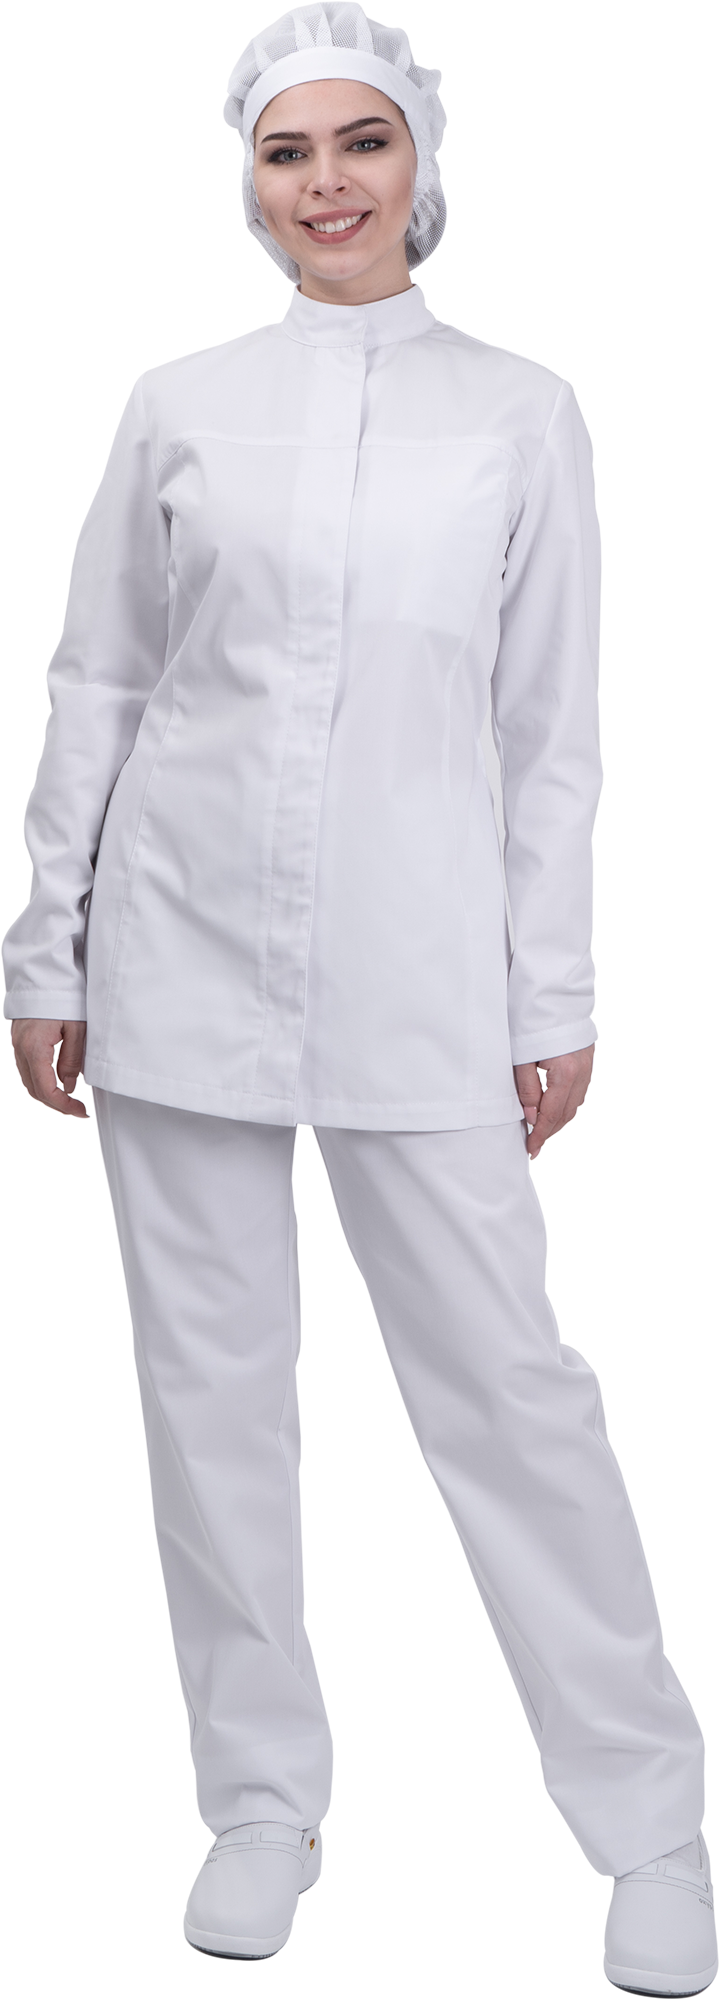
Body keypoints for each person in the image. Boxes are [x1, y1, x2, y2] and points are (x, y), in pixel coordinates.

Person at [4, 4, 716, 1988]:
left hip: (420, 964)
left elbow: (549, 733)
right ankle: (257, 1805)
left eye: (361, 143)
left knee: (512, 1390)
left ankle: (649, 1820)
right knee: (211, 1396)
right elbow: (100, 682)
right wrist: (47, 949)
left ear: (419, 164)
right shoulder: (184, 405)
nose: (326, 183)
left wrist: (549, 989)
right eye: (287, 152)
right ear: (251, 187)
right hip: (180, 951)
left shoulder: (520, 415)